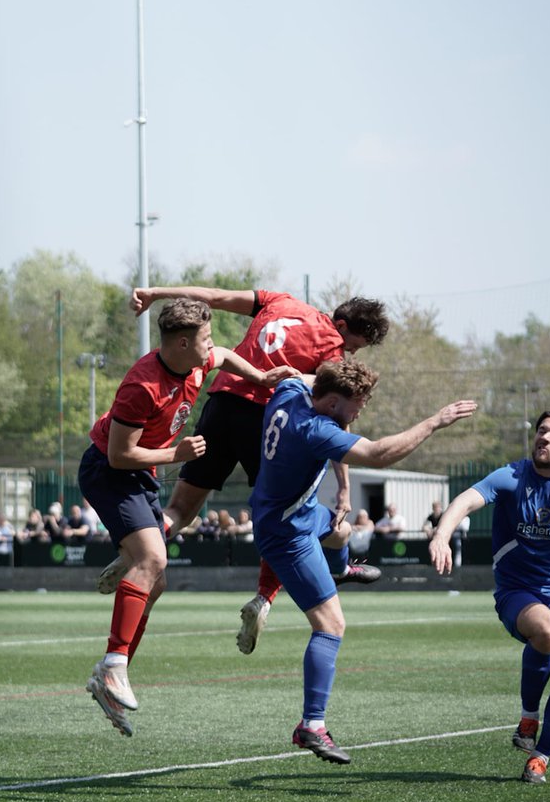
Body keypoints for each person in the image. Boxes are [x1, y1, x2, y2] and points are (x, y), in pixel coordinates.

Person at [94, 284, 391, 657]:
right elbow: (337, 415)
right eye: (355, 345)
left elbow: (213, 296)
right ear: (343, 325)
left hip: (220, 405)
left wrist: (156, 293)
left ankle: (142, 549)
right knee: (280, 516)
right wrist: (344, 486)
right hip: (267, 421)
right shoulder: (331, 352)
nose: (349, 353)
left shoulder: (281, 301)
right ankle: (263, 599)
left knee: (182, 508)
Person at [78, 297, 297, 737]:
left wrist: (260, 376)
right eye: (205, 339)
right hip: (109, 471)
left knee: (155, 581)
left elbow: (226, 357)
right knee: (153, 561)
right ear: (181, 343)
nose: (211, 346)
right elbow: (120, 456)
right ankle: (114, 665)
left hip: (140, 473)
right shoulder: (141, 384)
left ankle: (110, 672)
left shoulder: (197, 360)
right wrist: (174, 456)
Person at [250, 360, 477, 763]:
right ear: (333, 401)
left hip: (293, 512)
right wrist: (435, 422)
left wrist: (341, 490)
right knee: (332, 625)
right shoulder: (314, 429)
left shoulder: (290, 393)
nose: (359, 413)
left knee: (341, 529)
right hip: (286, 532)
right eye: (356, 406)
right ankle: (312, 726)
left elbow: (298, 376)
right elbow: (379, 453)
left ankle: (339, 568)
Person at [428, 410, 550, 784]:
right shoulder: (511, 477)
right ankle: (529, 715)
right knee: (547, 632)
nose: (544, 439)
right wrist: (441, 535)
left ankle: (540, 756)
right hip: (518, 591)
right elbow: (465, 501)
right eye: (540, 432)